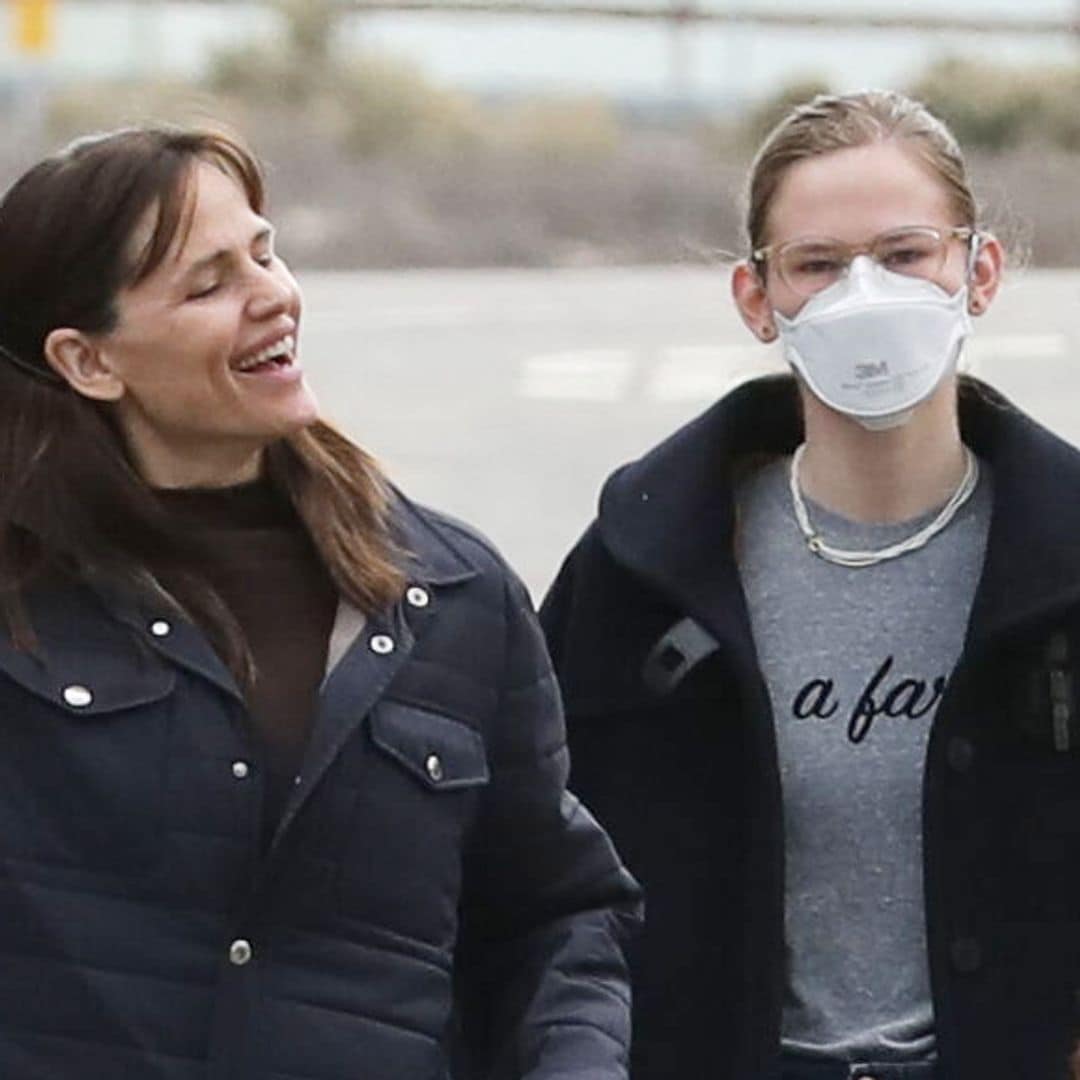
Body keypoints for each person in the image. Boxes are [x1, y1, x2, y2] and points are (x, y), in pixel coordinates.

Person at [0, 125, 640, 1079]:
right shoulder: (21, 601)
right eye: (209, 283)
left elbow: (555, 913)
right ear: (89, 362)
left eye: (264, 251)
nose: (274, 295)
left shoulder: (451, 592)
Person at [540, 88, 1080, 1079]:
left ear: (981, 271)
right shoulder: (644, 566)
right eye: (819, 265)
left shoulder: (1063, 554)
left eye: (907, 254)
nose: (863, 297)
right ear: (758, 298)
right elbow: (543, 870)